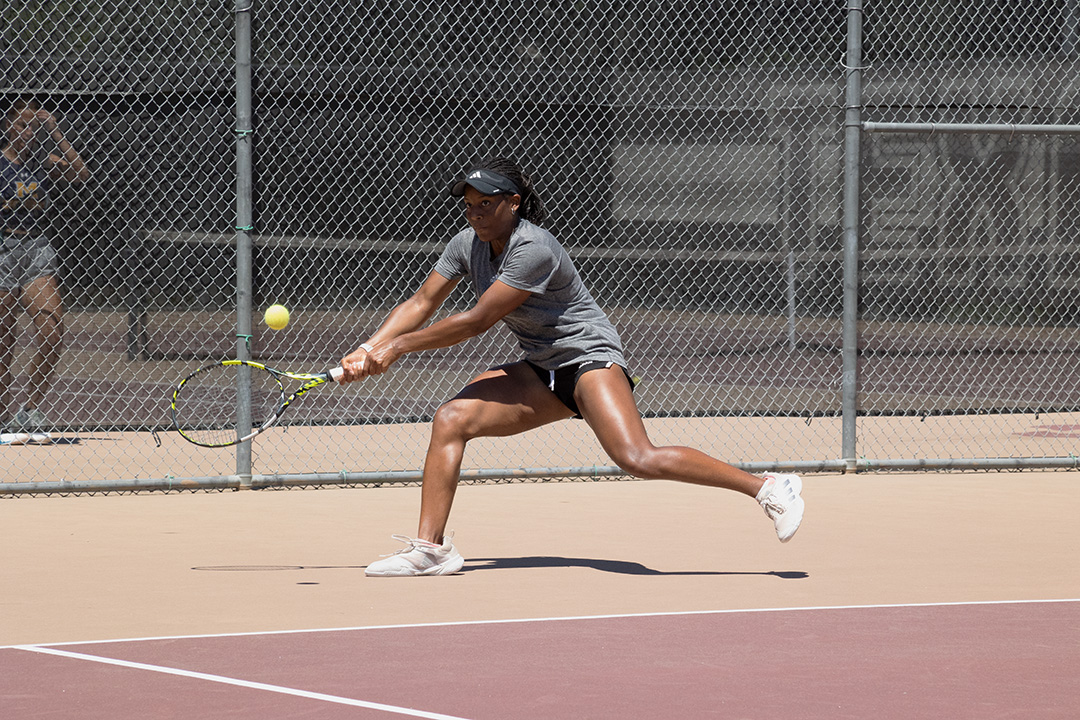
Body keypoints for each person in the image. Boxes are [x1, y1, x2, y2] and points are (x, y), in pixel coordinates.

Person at [340, 157, 804, 577]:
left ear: (513, 203)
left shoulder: (533, 248)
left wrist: (396, 348)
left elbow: (478, 319)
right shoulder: (468, 243)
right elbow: (422, 301)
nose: (475, 214)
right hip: (541, 368)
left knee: (636, 458)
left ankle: (767, 487)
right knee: (451, 419)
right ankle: (431, 550)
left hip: (589, 359)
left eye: (485, 204)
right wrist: (369, 347)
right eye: (468, 205)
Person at [0, 97, 89, 436]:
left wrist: (54, 130)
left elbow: (80, 173)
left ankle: (30, 410)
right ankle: (2, 414)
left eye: (33, 126)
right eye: (22, 125)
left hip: (36, 248)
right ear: (7, 125)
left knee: (52, 331)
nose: (28, 132)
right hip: (4, 248)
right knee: (4, 340)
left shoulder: (43, 161)